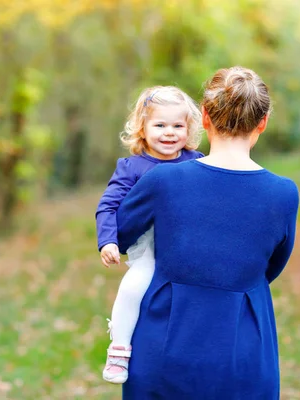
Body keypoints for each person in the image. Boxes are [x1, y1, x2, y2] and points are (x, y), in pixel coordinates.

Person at [115, 66, 300, 399]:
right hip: (244, 353)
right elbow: (272, 266)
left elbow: (122, 234)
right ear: (263, 122)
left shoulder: (162, 181)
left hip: (164, 345)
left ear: (203, 117)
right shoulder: (283, 193)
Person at [95, 86, 204, 384]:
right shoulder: (132, 167)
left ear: (189, 128)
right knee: (132, 289)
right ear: (142, 128)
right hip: (152, 250)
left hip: (192, 245)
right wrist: (108, 241)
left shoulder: (198, 162)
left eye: (177, 126)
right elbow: (108, 206)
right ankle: (119, 350)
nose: (169, 133)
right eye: (160, 125)